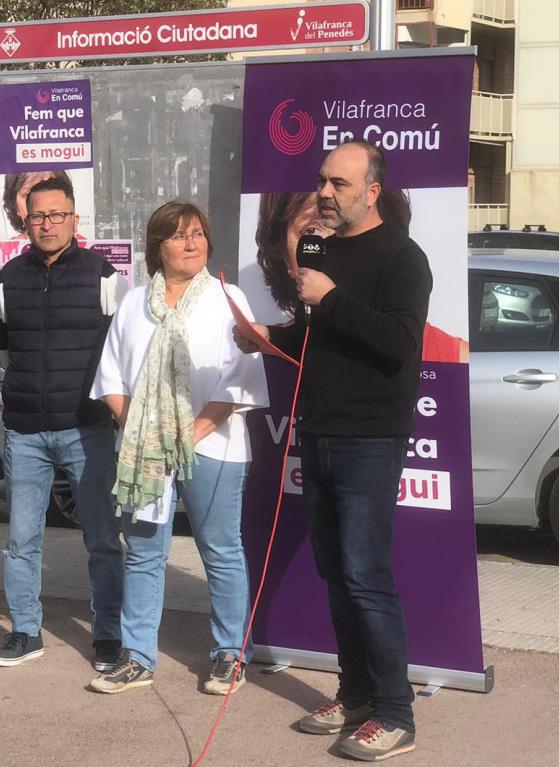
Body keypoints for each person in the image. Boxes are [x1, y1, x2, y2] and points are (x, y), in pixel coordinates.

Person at [237, 140, 430, 761]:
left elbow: (400, 342)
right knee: (336, 573)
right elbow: (318, 329)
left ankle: (396, 712)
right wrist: (268, 334)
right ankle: (355, 695)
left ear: (372, 192)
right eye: (322, 180)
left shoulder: (402, 256)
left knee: (367, 575)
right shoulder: (319, 249)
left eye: (339, 184)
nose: (324, 193)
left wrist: (331, 298)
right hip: (316, 429)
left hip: (370, 436)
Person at [89, 201, 268, 695]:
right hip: (146, 453)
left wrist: (188, 434)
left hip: (213, 446)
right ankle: (138, 656)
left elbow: (240, 380)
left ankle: (230, 655)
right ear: (158, 247)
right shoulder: (132, 302)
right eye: (178, 235)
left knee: (221, 551)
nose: (190, 243)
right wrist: (144, 431)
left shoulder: (228, 299)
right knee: (144, 554)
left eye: (197, 234)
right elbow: (111, 378)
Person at [0, 175, 126, 670]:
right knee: (22, 541)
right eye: (38, 216)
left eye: (57, 215)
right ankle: (25, 632)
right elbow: (5, 345)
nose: (47, 224)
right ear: (26, 221)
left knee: (103, 540)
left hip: (85, 428)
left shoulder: (104, 277)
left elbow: (118, 352)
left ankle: (107, 636)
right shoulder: (5, 281)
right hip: (24, 430)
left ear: (73, 219)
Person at [255, 189, 467, 363]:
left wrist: (331, 298)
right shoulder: (274, 351)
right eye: (312, 231)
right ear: (284, 257)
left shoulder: (454, 357)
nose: (335, 243)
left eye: (353, 229)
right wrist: (267, 337)